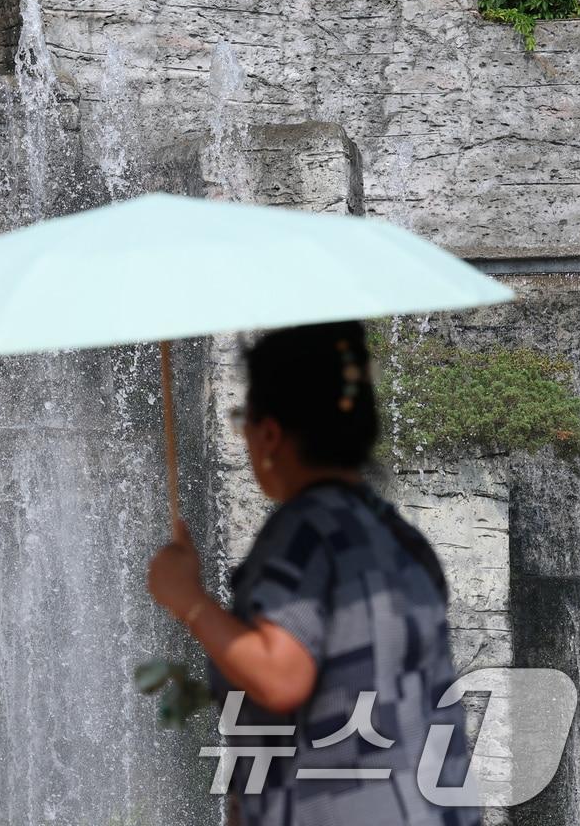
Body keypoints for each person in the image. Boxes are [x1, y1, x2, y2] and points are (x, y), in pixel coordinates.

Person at [146, 321, 480, 826]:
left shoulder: (304, 535)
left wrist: (188, 599)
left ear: (271, 434)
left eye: (244, 421)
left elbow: (281, 675)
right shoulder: (401, 538)